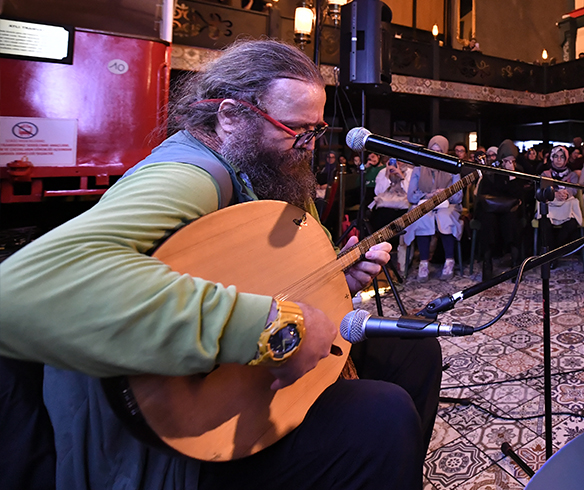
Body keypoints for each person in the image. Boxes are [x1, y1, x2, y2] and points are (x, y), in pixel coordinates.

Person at [0, 40, 439, 490]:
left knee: (415, 348)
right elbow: (22, 293)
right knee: (380, 417)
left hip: (238, 378)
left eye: (315, 130)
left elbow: (255, 275)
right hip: (162, 432)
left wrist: (335, 276)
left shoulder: (270, 170)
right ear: (230, 115)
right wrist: (273, 327)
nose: (308, 147)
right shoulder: (187, 173)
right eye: (292, 129)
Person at [405, 135, 463, 279]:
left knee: (445, 217)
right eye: (432, 150)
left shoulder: (453, 168)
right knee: (422, 217)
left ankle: (449, 260)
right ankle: (424, 263)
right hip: (425, 204)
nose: (435, 154)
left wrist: (445, 193)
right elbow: (411, 196)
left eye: (439, 151)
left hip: (447, 205)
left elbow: (458, 197)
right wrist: (428, 195)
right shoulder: (419, 169)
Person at [476, 140, 531, 278]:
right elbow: (487, 192)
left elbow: (518, 195)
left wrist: (512, 176)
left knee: (512, 220)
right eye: (506, 160)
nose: (509, 163)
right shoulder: (491, 171)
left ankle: (515, 261)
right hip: (492, 209)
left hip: (510, 209)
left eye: (512, 161)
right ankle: (487, 263)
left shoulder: (518, 172)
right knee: (488, 221)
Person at [539, 146, 584, 252]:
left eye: (562, 157)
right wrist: (554, 194)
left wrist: (565, 194)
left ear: (566, 159)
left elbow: (573, 190)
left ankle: (555, 251)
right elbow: (543, 190)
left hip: (566, 206)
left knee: (571, 224)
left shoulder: (572, 175)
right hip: (551, 207)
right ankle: (550, 255)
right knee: (544, 223)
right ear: (551, 158)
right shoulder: (546, 174)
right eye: (556, 156)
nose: (559, 160)